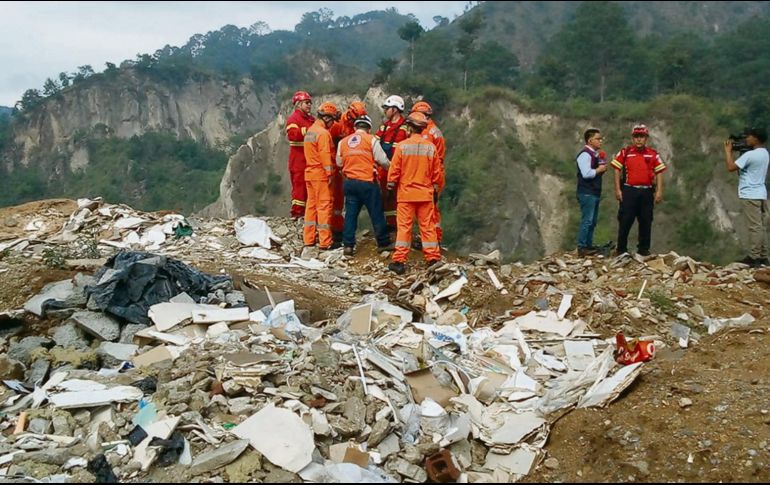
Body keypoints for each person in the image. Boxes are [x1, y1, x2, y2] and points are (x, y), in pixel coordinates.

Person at [387, 112, 442, 274]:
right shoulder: (431, 148)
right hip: (425, 195)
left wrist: (390, 186)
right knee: (428, 227)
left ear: (410, 127)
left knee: (404, 228)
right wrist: (435, 189)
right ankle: (433, 259)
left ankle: (399, 262)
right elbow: (436, 174)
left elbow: (394, 171)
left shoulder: (402, 146)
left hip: (406, 195)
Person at [336, 115, 392, 255]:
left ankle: (348, 246)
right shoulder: (371, 139)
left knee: (350, 214)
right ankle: (383, 242)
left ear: (355, 127)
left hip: (350, 183)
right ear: (368, 128)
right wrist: (392, 169)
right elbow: (382, 160)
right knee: (376, 213)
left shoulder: (343, 142)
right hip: (367, 183)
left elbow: (339, 163)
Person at [610, 124, 666, 256]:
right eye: (636, 137)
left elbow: (659, 172)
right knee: (625, 219)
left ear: (646, 138)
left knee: (646, 220)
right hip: (629, 190)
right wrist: (618, 189)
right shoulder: (625, 152)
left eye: (642, 137)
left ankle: (643, 249)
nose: (639, 139)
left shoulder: (653, 154)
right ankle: (621, 249)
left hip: (646, 191)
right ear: (632, 138)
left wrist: (659, 191)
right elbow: (616, 169)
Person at [723, 127, 769, 267]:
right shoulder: (765, 153)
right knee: (760, 227)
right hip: (761, 193)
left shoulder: (750, 155)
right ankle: (763, 256)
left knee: (754, 227)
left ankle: (754, 257)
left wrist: (728, 152)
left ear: (755, 138)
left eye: (749, 136)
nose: (746, 139)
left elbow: (731, 167)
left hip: (750, 194)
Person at [329, 102, 368, 242]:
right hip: (336, 164)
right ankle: (334, 228)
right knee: (334, 198)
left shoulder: (355, 127)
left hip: (347, 166)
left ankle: (340, 228)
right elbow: (328, 144)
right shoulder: (338, 125)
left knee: (342, 199)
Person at [303, 102, 340, 250]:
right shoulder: (323, 134)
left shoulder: (310, 131)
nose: (332, 124)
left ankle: (309, 239)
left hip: (310, 173)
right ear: (327, 118)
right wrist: (330, 174)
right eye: (331, 120)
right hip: (320, 175)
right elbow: (325, 155)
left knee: (311, 207)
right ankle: (325, 242)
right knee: (324, 206)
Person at [411, 101, 447, 241]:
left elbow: (436, 160)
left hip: (430, 176)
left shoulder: (427, 133)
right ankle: (430, 238)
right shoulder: (433, 130)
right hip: (429, 175)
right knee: (428, 208)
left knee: (430, 209)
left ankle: (433, 239)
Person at [375, 95, 408, 232]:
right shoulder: (384, 127)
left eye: (387, 108)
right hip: (383, 168)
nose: (385, 111)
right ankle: (388, 225)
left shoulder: (404, 128)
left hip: (397, 169)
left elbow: (401, 152)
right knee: (384, 198)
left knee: (395, 199)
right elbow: (374, 143)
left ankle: (396, 226)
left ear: (394, 109)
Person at [576, 128, 608, 256]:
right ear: (590, 140)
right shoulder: (585, 155)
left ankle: (588, 245)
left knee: (592, 221)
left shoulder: (594, 155)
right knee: (587, 220)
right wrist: (599, 170)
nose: (600, 141)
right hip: (587, 192)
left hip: (594, 192)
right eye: (598, 139)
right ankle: (582, 246)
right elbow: (586, 173)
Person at [285, 91, 315, 219]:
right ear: (298, 104)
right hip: (298, 160)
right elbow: (292, 135)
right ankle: (297, 214)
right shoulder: (294, 119)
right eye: (306, 103)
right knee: (299, 188)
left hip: (309, 159)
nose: (309, 105)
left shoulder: (311, 119)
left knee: (309, 188)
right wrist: (308, 131)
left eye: (310, 103)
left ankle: (307, 214)